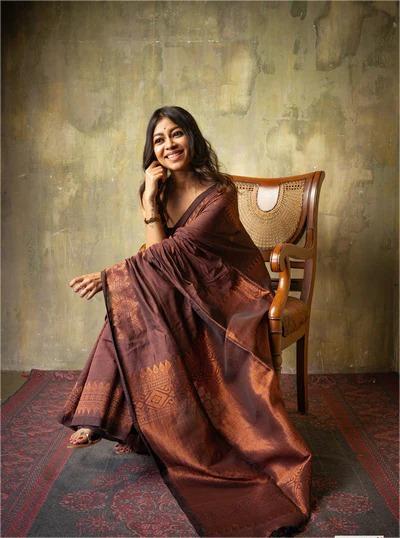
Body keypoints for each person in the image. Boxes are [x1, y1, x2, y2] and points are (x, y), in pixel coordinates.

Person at [58, 106, 312, 537]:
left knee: (132, 292)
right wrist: (149, 203)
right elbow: (161, 259)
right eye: (159, 139)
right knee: (136, 303)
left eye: (176, 134)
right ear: (152, 150)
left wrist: (107, 277)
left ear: (191, 137)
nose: (169, 145)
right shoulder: (154, 191)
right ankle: (120, 415)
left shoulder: (220, 192)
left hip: (234, 289)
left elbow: (172, 255)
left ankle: (107, 414)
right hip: (187, 283)